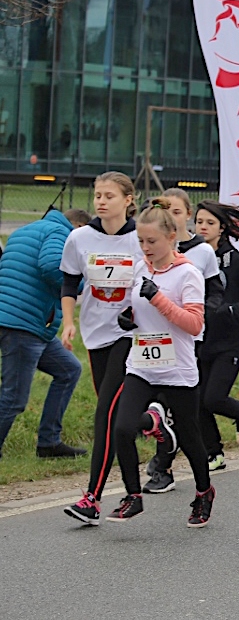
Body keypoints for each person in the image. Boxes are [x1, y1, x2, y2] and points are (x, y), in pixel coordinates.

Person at [106, 200, 213, 525]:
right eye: (141, 241)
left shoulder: (188, 274)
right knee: (122, 428)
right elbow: (136, 308)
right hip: (141, 364)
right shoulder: (141, 268)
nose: (145, 247)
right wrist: (128, 317)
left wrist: (158, 298)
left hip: (177, 369)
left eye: (151, 241)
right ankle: (133, 495)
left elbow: (194, 324)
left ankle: (204, 491)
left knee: (190, 438)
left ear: (171, 237)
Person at [62, 172, 145, 527]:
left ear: (128, 199)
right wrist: (68, 322)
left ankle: (92, 498)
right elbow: (69, 282)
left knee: (104, 415)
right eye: (97, 195)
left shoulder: (140, 237)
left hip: (131, 334)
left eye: (109, 195)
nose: (101, 201)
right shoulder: (80, 238)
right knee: (116, 415)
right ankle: (154, 422)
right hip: (95, 333)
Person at [143, 189, 224, 492]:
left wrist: (202, 313)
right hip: (150, 340)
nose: (170, 218)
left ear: (186, 216)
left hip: (188, 339)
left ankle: (164, 468)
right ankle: (163, 465)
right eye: (165, 212)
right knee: (156, 409)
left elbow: (215, 291)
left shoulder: (201, 252)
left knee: (174, 410)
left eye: (176, 212)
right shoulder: (146, 252)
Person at [0, 207, 88, 459]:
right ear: (79, 227)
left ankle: (49, 442)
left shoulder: (26, 230)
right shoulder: (62, 234)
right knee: (14, 397)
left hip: (23, 321)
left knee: (69, 369)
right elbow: (51, 266)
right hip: (23, 323)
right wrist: (82, 284)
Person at [191, 201, 239, 470]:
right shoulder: (189, 258)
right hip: (199, 339)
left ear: (222, 228)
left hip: (230, 341)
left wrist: (230, 312)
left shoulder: (237, 261)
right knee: (197, 400)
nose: (203, 227)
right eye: (199, 222)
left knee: (213, 398)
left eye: (210, 223)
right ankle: (214, 454)